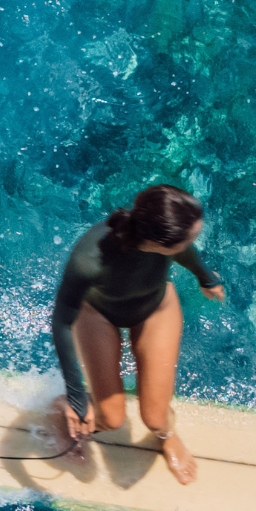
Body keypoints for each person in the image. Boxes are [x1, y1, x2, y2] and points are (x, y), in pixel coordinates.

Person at [50, 184, 225, 484]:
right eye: (189, 237)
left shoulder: (167, 241)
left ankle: (167, 435)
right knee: (110, 419)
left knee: (156, 419)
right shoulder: (89, 258)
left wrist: (205, 277)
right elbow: (62, 322)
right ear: (160, 242)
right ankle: (63, 406)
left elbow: (185, 252)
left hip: (156, 308)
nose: (193, 242)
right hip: (98, 313)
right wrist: (77, 395)